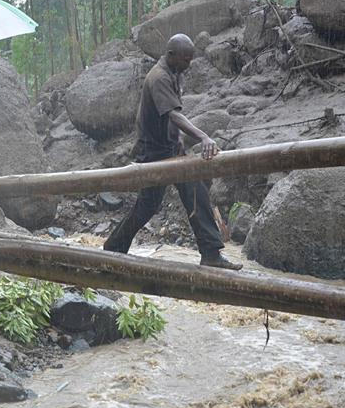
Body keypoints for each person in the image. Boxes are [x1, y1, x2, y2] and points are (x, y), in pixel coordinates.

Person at [103, 33, 242, 270]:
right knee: (149, 204)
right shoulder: (158, 78)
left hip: (169, 150)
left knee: (193, 189)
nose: (189, 64)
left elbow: (170, 118)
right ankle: (114, 248)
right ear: (171, 55)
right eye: (186, 59)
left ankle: (210, 252)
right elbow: (173, 115)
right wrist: (204, 137)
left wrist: (180, 143)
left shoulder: (172, 73)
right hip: (154, 153)